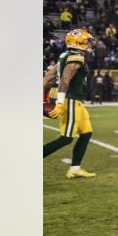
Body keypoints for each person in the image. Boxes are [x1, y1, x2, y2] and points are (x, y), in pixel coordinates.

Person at [42, 29, 99, 179]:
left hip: (75, 101)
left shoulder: (64, 55)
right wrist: (60, 103)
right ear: (77, 42)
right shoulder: (76, 57)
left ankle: (75, 168)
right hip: (71, 99)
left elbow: (49, 76)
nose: (88, 43)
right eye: (86, 40)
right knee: (66, 138)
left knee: (86, 133)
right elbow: (65, 79)